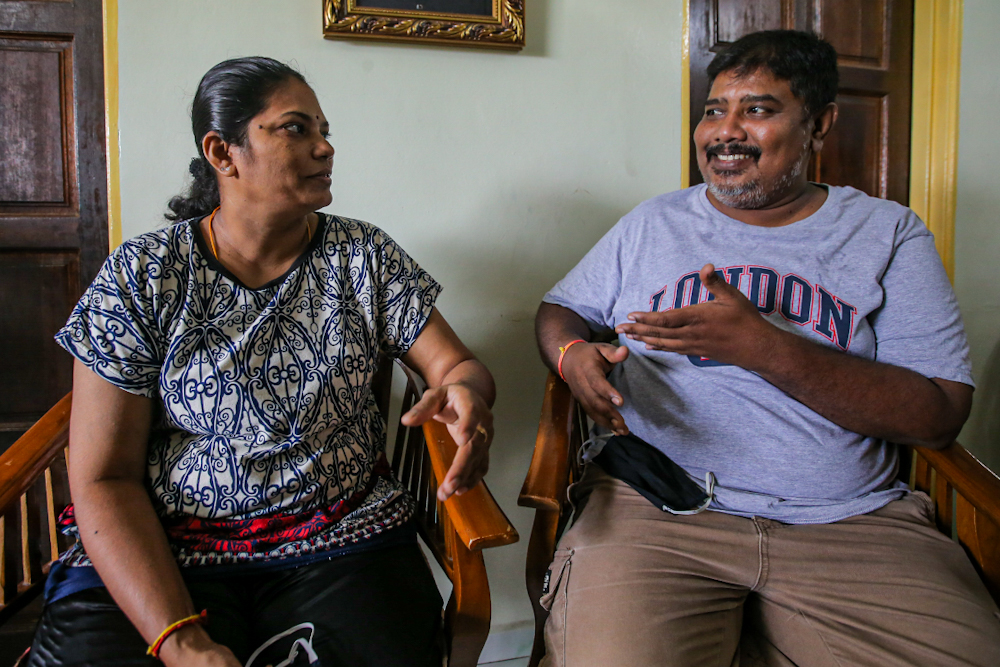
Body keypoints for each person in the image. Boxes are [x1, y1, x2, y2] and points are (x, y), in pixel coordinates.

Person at [535, 30, 1000, 667]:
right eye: (712, 110)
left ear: (820, 124)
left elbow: (939, 414)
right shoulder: (653, 223)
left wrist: (764, 347)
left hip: (850, 523)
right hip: (657, 510)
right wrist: (569, 356)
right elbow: (561, 309)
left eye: (757, 109)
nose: (724, 131)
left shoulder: (887, 233)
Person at [25, 56, 495, 667]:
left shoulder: (363, 256)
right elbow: (102, 476)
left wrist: (467, 393)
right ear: (223, 153)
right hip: (168, 543)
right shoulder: (144, 275)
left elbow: (456, 365)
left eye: (324, 130)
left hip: (339, 537)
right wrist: (183, 642)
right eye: (296, 129)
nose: (326, 148)